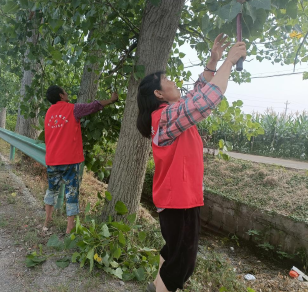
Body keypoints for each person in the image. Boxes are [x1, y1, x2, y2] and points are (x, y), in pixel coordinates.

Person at [136, 34, 246, 292]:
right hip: (179, 200)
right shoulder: (165, 117)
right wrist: (229, 62)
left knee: (174, 251)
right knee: (183, 262)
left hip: (177, 198)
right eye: (167, 80)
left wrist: (214, 61)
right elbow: (205, 101)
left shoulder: (166, 114)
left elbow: (197, 92)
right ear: (158, 93)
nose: (174, 81)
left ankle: (157, 285)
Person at [43, 85, 118, 234]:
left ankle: (47, 219)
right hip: (69, 160)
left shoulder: (48, 113)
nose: (67, 92)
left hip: (52, 160)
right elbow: (93, 106)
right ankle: (70, 227)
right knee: (71, 192)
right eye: (65, 91)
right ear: (61, 95)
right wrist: (111, 99)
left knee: (52, 190)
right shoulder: (73, 109)